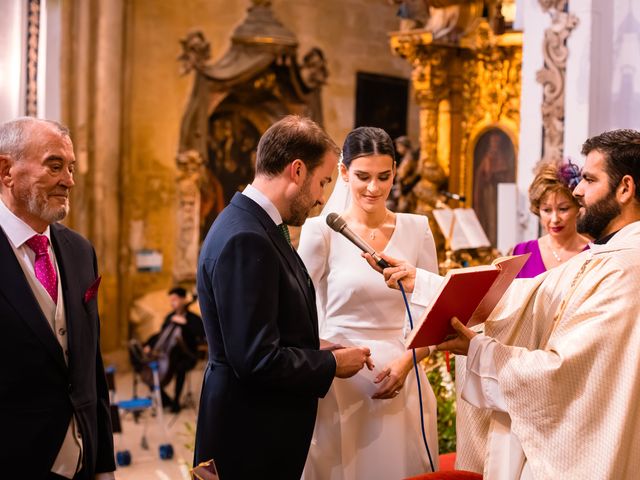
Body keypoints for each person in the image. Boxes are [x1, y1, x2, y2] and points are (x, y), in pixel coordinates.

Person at [376, 129, 640, 479]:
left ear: (625, 188)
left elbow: (564, 378)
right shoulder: (609, 257)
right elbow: (532, 298)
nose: (577, 191)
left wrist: (480, 350)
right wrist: (421, 282)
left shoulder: (624, 269)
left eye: (590, 180)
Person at [194, 115, 374, 480]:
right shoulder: (247, 237)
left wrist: (315, 346)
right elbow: (255, 358)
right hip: (249, 437)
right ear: (296, 170)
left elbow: (259, 327)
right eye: (322, 181)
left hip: (254, 427)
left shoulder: (254, 224)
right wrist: (332, 367)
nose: (322, 198)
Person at [298, 126, 440, 479]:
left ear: (395, 172)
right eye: (362, 176)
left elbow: (436, 312)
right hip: (341, 380)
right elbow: (295, 313)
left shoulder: (418, 228)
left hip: (403, 376)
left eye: (384, 176)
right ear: (344, 173)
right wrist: (328, 355)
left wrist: (407, 362)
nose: (373, 188)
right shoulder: (323, 231)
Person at [0, 117, 115, 479]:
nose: (69, 180)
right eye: (54, 166)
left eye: (71, 167)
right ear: (6, 171)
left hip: (83, 459)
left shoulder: (80, 251)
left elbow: (91, 370)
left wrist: (104, 466)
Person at [512, 161, 589, 277]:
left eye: (563, 209)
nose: (554, 219)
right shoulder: (521, 253)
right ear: (538, 209)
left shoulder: (593, 254)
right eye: (547, 210)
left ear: (578, 207)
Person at [145, 287, 204, 413]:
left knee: (180, 368)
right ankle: (167, 401)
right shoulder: (170, 317)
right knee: (151, 371)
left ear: (183, 299)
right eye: (170, 300)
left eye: (175, 300)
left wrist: (185, 324)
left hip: (187, 355)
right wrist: (149, 344)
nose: (172, 303)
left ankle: (176, 402)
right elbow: (161, 335)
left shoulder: (193, 318)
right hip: (167, 355)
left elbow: (201, 334)